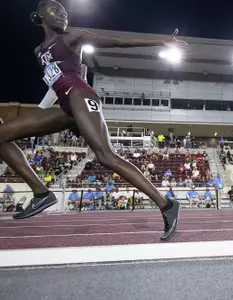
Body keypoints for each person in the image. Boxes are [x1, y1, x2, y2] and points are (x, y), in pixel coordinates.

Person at [0, 0, 187, 241]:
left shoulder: (72, 37)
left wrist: (159, 41)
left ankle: (166, 204)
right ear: (40, 17)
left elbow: (114, 41)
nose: (62, 16)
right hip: (66, 105)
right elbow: (52, 85)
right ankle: (41, 192)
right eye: (55, 11)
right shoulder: (39, 52)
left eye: (65, 12)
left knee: (106, 156)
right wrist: (38, 113)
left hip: (82, 97)